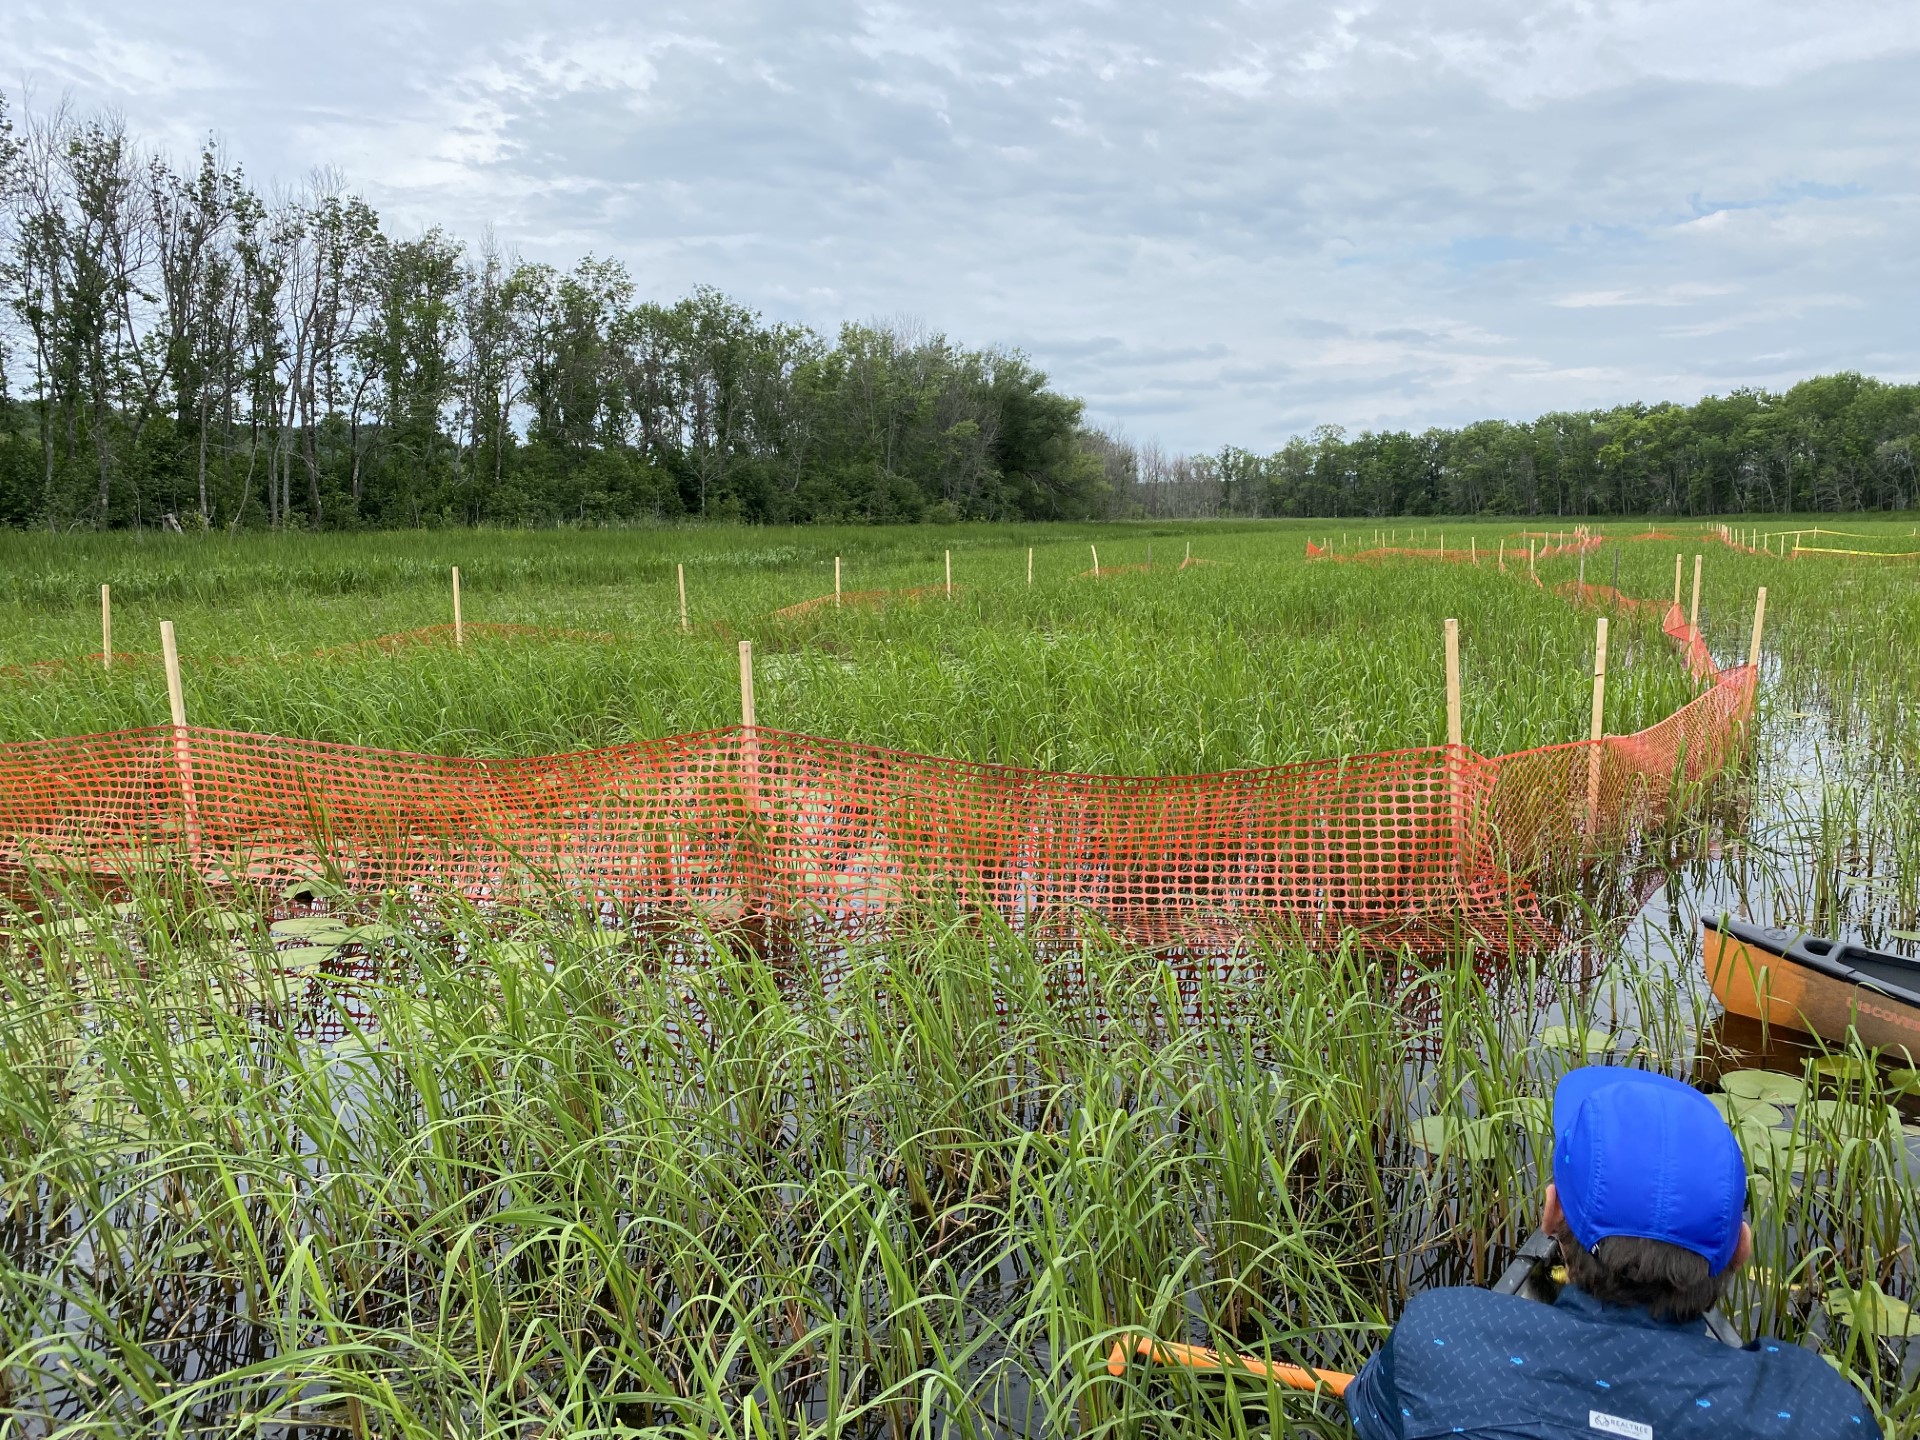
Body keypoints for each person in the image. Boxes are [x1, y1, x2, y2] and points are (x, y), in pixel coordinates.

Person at [1346, 1065, 1878, 1440]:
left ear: (1552, 1214)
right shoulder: (1822, 1414)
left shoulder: (1438, 1335)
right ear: (1739, 1250)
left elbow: (1369, 1411)